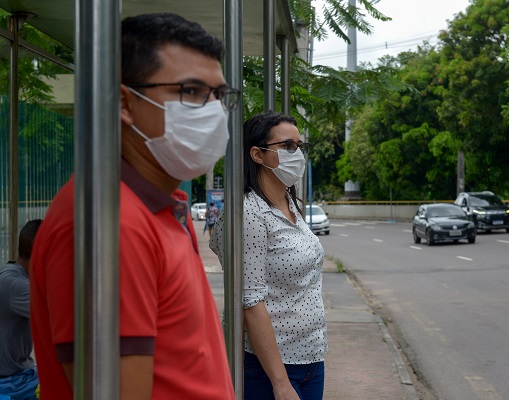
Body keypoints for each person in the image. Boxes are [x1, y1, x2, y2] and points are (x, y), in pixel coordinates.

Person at [29, 13, 238, 399]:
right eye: (191, 91)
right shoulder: (109, 225)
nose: (214, 111)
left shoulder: (162, 204)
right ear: (125, 102)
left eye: (220, 95)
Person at [210, 111, 327, 400]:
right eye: (287, 146)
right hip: (269, 369)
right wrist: (280, 382)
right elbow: (250, 302)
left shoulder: (289, 202)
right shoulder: (248, 212)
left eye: (300, 146)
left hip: (311, 359)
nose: (297, 154)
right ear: (257, 154)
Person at [0, 219, 42, 400]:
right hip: (11, 383)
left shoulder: (8, 273)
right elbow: (65, 316)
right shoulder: (18, 287)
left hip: (18, 375)